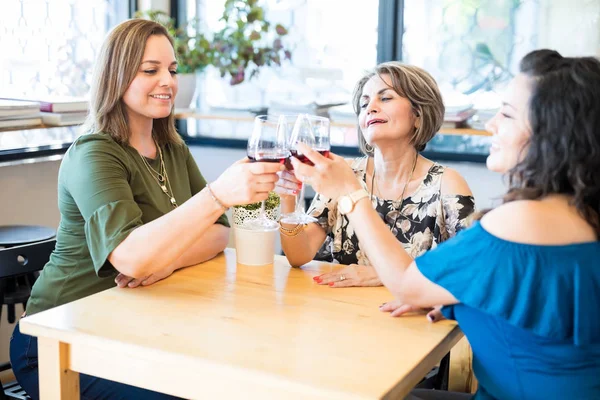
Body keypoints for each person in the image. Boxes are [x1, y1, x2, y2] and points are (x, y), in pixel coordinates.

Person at [290, 49, 600, 399]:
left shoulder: (523, 221)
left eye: (507, 114)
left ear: (552, 132)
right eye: (364, 101)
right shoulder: (580, 214)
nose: (490, 124)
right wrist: (448, 297)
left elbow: (407, 285)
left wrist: (350, 193)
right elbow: (528, 297)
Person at [10, 19, 284, 400]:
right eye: (150, 70)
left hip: (133, 327)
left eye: (171, 70)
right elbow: (130, 259)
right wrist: (218, 194)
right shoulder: (95, 154)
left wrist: (165, 261)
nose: (168, 81)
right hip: (60, 341)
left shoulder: (171, 147)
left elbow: (220, 233)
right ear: (116, 77)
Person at [276, 62, 475, 289]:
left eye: (386, 98)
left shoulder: (446, 184)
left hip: (408, 315)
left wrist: (383, 275)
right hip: (339, 309)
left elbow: (473, 267)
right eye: (364, 103)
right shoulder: (343, 173)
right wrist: (288, 199)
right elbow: (298, 255)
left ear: (418, 114)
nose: (370, 107)